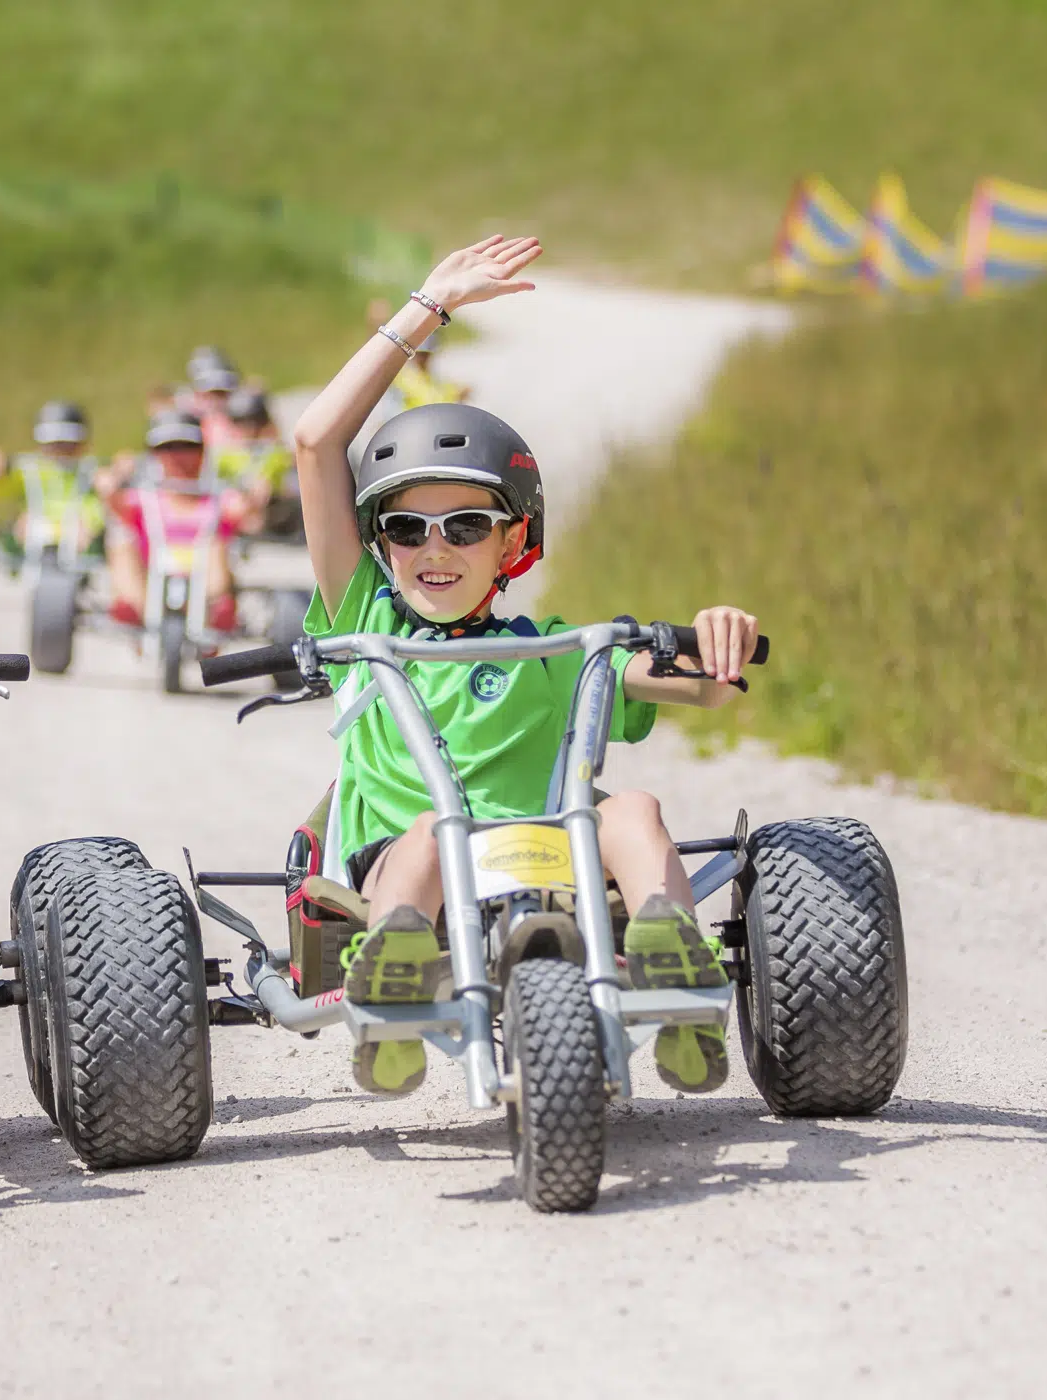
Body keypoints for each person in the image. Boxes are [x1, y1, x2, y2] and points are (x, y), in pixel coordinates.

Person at [292, 235, 761, 1099]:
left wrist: (714, 641)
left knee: (636, 806)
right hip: (407, 873)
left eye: (466, 526)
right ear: (380, 545)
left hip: (553, 861)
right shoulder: (363, 625)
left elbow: (696, 683)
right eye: (407, 529)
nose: (435, 549)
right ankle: (392, 987)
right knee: (440, 831)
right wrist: (426, 308)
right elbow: (317, 443)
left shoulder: (557, 650)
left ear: (512, 541)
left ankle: (675, 967)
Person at [100, 408, 246, 633]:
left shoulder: (217, 498)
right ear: (154, 455)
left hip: (204, 577)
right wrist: (118, 474)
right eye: (167, 448)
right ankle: (138, 611)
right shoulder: (145, 498)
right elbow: (111, 497)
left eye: (187, 448)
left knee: (217, 544)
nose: (177, 457)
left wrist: (255, 493)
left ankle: (212, 612)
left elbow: (244, 512)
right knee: (121, 543)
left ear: (201, 453)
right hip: (151, 577)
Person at [0, 399, 104, 565]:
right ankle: (22, 561)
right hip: (36, 522)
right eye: (54, 445)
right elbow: (2, 488)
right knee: (23, 524)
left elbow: (96, 504)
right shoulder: (30, 469)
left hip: (77, 525)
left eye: (68, 445)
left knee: (87, 527)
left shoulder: (89, 469)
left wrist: (111, 479)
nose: (61, 451)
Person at [213, 387, 297, 535]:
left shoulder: (275, 451)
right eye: (240, 422)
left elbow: (273, 485)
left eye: (254, 422)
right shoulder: (224, 455)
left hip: (272, 507)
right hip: (235, 507)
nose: (248, 429)